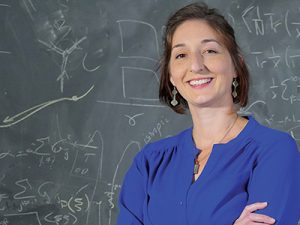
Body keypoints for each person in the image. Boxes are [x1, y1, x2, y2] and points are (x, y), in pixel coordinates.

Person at [116, 2, 300, 225]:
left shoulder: (274, 151)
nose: (196, 65)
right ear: (172, 76)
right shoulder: (150, 163)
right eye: (181, 55)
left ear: (235, 66)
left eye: (210, 51)